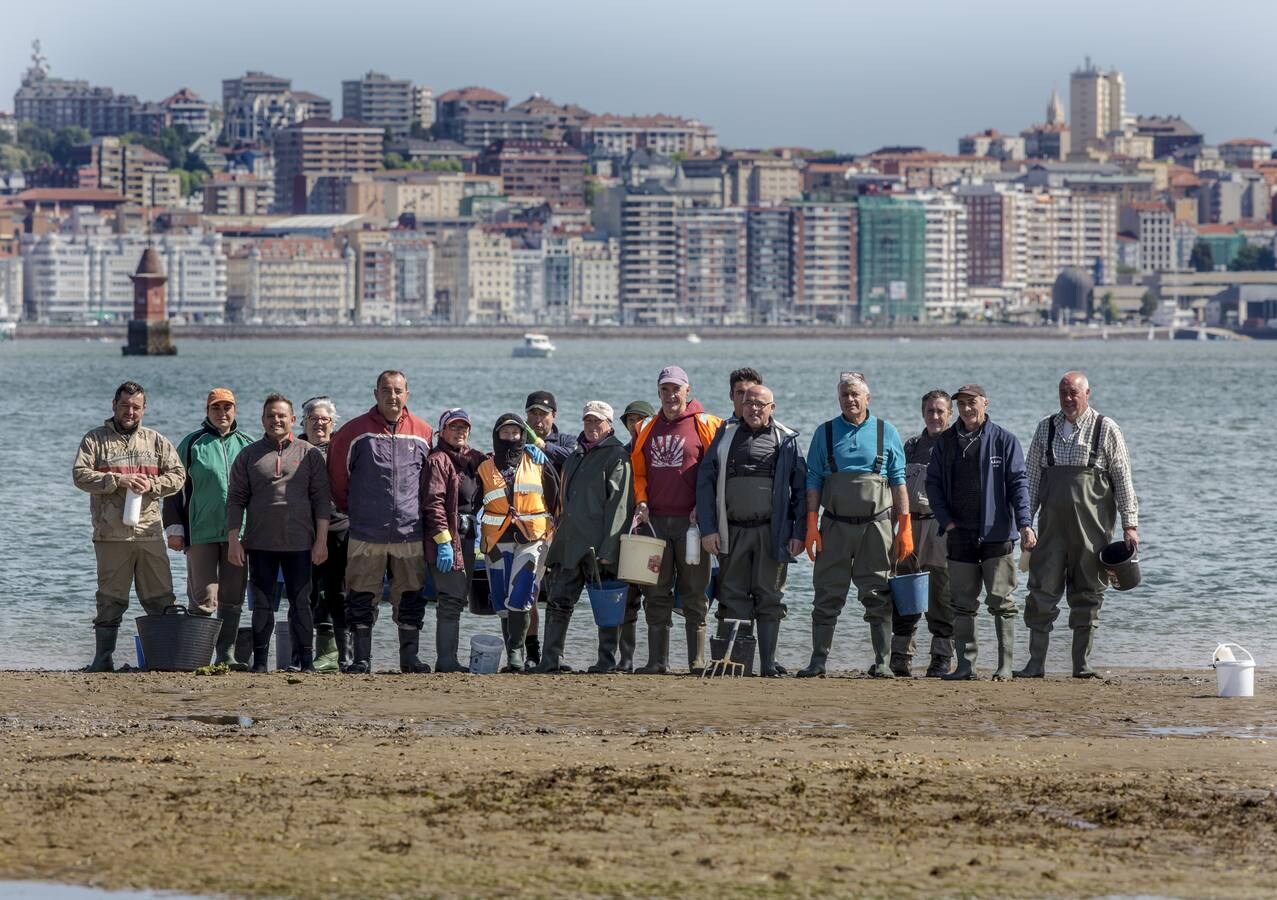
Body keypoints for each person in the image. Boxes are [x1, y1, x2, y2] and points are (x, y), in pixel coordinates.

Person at [1017, 371, 1138, 679]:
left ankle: (1081, 666)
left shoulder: (1105, 428)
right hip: (1050, 532)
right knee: (1040, 592)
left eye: (1073, 393)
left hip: (1092, 532)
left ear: (1088, 393)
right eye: (1063, 393)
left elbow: (1123, 479)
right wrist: (1025, 523)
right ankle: (1035, 664)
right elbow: (1030, 479)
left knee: (1088, 594)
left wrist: (1130, 524)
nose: (1068, 399)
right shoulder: (1045, 428)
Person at [799, 372, 913, 678]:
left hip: (876, 528)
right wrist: (811, 523)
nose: (850, 400)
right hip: (834, 527)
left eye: (855, 395)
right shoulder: (824, 433)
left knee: (878, 594)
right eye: (845, 395)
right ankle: (818, 660)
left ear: (867, 398)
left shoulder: (885, 431)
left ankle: (884, 662)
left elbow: (899, 481)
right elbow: (813, 481)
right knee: (826, 594)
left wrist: (905, 527)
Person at [73, 381, 186, 672]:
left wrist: (154, 484)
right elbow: (80, 476)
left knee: (160, 596)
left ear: (144, 409)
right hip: (110, 535)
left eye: (136, 407)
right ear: (114, 405)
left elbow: (178, 475)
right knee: (110, 599)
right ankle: (103, 659)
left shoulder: (156, 441)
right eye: (125, 405)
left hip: (149, 533)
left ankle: (163, 659)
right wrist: (116, 480)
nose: (130, 412)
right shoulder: (95, 440)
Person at [925, 384, 1034, 681]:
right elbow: (932, 484)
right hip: (958, 534)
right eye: (961, 404)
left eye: (972, 403)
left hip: (996, 534)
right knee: (961, 604)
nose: (967, 409)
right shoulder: (946, 442)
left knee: (1001, 602)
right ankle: (966, 665)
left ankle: (1005, 666)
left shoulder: (1004, 441)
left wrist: (1025, 524)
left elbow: (1018, 485)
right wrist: (946, 521)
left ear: (985, 403)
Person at [327, 370, 433, 674]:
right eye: (386, 390)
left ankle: (409, 659)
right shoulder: (353, 432)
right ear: (376, 394)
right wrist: (356, 511)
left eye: (398, 391)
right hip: (365, 532)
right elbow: (337, 479)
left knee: (411, 595)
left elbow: (429, 481)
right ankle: (362, 658)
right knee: (360, 595)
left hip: (410, 531)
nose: (392, 396)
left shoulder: (423, 432)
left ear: (407, 395)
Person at [696, 385, 806, 677]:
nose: (754, 409)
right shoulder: (724, 435)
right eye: (749, 403)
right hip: (730, 531)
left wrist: (799, 532)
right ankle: (734, 663)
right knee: (731, 595)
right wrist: (708, 529)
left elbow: (801, 491)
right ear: (740, 405)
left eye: (761, 404)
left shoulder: (787, 439)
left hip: (772, 533)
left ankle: (768, 664)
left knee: (770, 597)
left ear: (773, 407)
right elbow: (705, 484)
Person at [630, 365, 724, 674]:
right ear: (658, 393)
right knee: (655, 593)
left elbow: (716, 472)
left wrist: (704, 506)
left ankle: (697, 662)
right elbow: (639, 472)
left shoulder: (706, 424)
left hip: (692, 526)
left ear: (687, 390)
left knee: (695, 593)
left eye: (676, 389)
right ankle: (657, 661)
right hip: (655, 523)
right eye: (665, 389)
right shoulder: (647, 427)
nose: (671, 395)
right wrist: (641, 501)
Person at [227, 394, 330, 672]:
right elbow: (235, 499)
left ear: (293, 420)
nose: (276, 420)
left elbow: (321, 500)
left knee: (301, 604)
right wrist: (233, 540)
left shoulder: (308, 453)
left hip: (300, 543)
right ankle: (260, 663)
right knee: (262, 607)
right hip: (260, 543)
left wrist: (321, 541)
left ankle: (306, 662)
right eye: (271, 416)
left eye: (282, 416)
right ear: (263, 420)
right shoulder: (248, 455)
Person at [163, 388, 254, 668]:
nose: (222, 413)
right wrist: (174, 528)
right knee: (203, 597)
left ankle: (225, 655)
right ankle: (198, 655)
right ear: (207, 411)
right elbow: (172, 489)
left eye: (227, 408)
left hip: (238, 535)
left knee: (232, 596)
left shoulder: (248, 445)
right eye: (216, 408)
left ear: (235, 410)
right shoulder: (192, 444)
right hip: (200, 532)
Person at [539, 401, 632, 673]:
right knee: (558, 603)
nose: (592, 427)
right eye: (588, 421)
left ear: (609, 425)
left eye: (598, 422)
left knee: (606, 606)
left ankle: (605, 661)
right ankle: (550, 660)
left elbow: (620, 506)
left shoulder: (616, 456)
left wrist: (609, 548)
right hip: (568, 543)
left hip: (598, 546)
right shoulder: (575, 455)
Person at [478, 413, 559, 672]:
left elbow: (556, 500)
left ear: (523, 435)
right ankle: (514, 652)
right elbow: (473, 501)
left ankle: (515, 653)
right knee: (501, 599)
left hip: (533, 538)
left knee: (522, 593)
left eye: (516, 432)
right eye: (505, 432)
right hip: (497, 540)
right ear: (496, 435)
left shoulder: (538, 463)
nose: (511, 437)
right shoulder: (484, 467)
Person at [421, 408, 488, 673]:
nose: (459, 432)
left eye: (464, 428)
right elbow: (433, 503)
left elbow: (502, 463)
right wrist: (443, 541)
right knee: (450, 599)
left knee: (458, 599)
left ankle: (449, 658)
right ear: (442, 431)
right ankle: (446, 660)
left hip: (469, 538)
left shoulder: (473, 458)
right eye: (454, 427)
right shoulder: (437, 460)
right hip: (446, 540)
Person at [894, 390, 955, 678]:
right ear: (923, 413)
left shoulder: (957, 445)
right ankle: (900, 656)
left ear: (950, 414)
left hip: (940, 528)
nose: (934, 416)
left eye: (940, 411)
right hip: (909, 525)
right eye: (930, 411)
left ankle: (941, 658)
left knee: (940, 594)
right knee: (904, 592)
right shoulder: (911, 446)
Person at [523, 390, 576, 666]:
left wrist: (546, 448)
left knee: (559, 594)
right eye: (533, 413)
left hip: (560, 530)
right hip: (529, 530)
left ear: (554, 415)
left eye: (543, 414)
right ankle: (531, 654)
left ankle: (554, 655)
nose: (538, 419)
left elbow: (576, 455)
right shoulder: (518, 441)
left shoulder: (566, 440)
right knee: (528, 594)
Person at [301, 396, 350, 672]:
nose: (319, 423)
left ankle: (340, 656)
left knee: (338, 594)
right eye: (314, 418)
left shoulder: (343, 449)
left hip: (339, 529)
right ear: (304, 421)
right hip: (301, 532)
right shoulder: (294, 448)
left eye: (325, 419)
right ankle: (305, 655)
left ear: (333, 422)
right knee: (304, 593)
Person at [616, 399, 655, 672]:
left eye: (640, 418)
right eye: (630, 420)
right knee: (627, 601)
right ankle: (626, 659)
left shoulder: (660, 450)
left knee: (656, 599)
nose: (635, 424)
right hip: (627, 534)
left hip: (655, 531)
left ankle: (657, 659)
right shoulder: (620, 452)